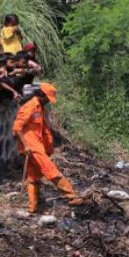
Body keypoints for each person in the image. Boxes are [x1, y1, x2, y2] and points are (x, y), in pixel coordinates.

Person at [14, 82, 84, 213]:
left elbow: (42, 129)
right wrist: (26, 145)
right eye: (47, 98)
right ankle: (72, 196)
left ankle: (32, 208)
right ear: (41, 94)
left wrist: (48, 146)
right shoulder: (29, 106)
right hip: (31, 147)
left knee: (34, 177)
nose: (48, 101)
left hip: (37, 146)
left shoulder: (40, 107)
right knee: (50, 170)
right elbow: (17, 128)